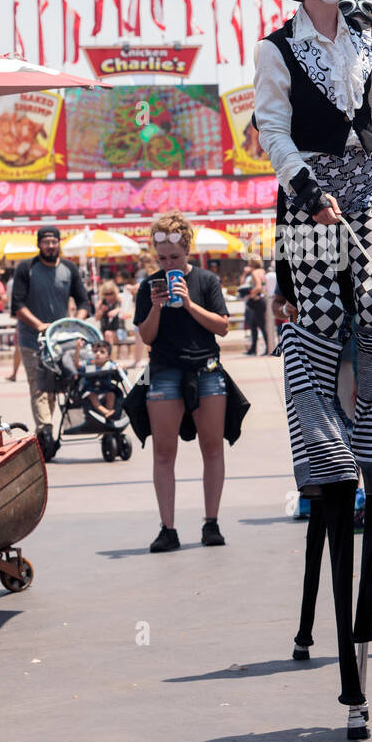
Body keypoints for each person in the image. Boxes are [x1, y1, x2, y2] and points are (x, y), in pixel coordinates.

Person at [254, 0, 372, 737]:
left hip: (367, 182)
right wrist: (302, 185)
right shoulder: (276, 50)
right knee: (318, 319)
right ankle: (325, 446)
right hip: (310, 192)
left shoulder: (361, 39)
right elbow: (271, 131)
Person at [134, 211, 230, 553]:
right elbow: (146, 336)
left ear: (187, 250)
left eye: (174, 257)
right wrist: (156, 308)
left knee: (212, 447)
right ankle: (168, 528)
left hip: (205, 369)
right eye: (162, 258)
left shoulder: (206, 281)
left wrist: (188, 303)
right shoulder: (149, 286)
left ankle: (211, 522)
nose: (168, 264)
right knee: (163, 453)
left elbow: (222, 326)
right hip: (164, 371)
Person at [10, 227, 89, 459]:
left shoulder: (69, 268)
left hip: (60, 341)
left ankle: (43, 433)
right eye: (46, 242)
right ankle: (46, 431)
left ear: (59, 244)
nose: (51, 246)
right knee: (39, 387)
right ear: (39, 244)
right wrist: (39, 325)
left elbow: (84, 301)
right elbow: (17, 304)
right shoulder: (27, 268)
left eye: (54, 241)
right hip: (31, 339)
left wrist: (78, 322)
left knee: (53, 390)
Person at [243, 255, 269, 355]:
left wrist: (249, 295)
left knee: (261, 325)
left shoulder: (254, 273)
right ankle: (253, 349)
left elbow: (258, 287)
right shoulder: (262, 271)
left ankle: (268, 348)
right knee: (254, 325)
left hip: (257, 301)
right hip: (263, 300)